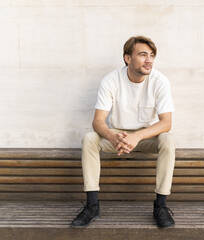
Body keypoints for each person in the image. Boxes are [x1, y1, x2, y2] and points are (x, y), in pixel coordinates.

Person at [71, 35, 176, 228]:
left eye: (151, 55)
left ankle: (160, 206)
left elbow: (166, 123)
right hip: (117, 135)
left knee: (167, 139)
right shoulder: (111, 80)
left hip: (146, 136)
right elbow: (98, 121)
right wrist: (113, 136)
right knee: (89, 139)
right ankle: (92, 205)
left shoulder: (159, 81)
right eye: (143, 55)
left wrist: (137, 136)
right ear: (128, 58)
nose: (149, 60)